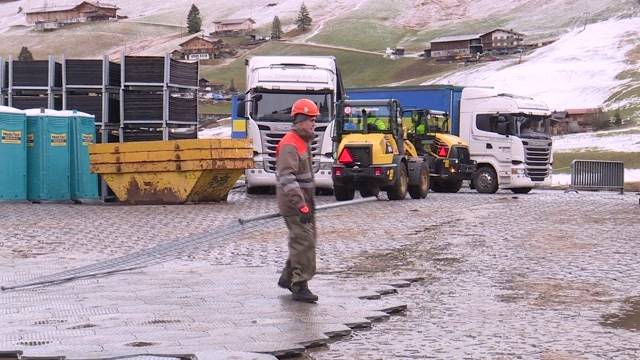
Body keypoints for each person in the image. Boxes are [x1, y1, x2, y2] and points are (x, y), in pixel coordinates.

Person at [275, 98, 319, 303]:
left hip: (305, 203)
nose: (314, 123)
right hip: (295, 206)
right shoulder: (290, 144)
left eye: (314, 120)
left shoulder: (302, 141)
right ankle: (299, 285)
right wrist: (300, 205)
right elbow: (287, 178)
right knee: (303, 242)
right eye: (311, 120)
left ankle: (288, 277)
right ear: (300, 120)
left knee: (305, 241)